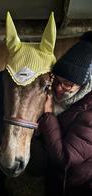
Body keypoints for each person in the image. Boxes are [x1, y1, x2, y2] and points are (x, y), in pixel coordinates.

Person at [38, 31, 92, 196]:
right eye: (57, 80)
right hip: (58, 180)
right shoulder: (66, 101)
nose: (59, 88)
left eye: (68, 84)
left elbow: (64, 158)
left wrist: (47, 115)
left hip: (76, 185)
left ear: (84, 85)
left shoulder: (89, 113)